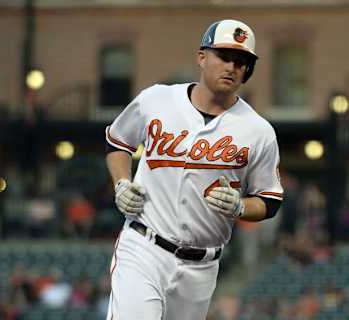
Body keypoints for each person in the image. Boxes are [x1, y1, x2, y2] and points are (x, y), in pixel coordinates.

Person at [104, 19, 283, 320]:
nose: (231, 67)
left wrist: (241, 206)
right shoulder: (157, 99)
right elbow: (118, 142)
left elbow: (270, 200)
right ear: (202, 57)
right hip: (144, 246)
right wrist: (121, 183)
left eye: (241, 62)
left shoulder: (258, 130)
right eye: (224, 57)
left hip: (202, 266)